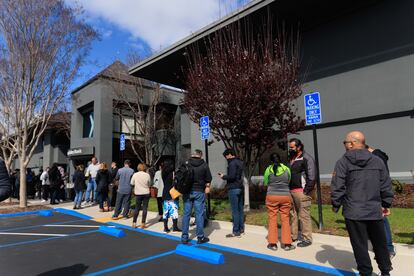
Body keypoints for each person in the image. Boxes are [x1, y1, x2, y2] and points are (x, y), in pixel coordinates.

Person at [331, 131, 393, 276]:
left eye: (345, 142)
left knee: (360, 245)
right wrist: (386, 203)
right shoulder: (377, 160)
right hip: (374, 210)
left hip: (354, 212)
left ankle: (366, 272)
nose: (344, 145)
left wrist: (336, 203)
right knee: (380, 243)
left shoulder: (342, 162)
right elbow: (385, 184)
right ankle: (385, 271)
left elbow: (337, 185)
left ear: (352, 143)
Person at [366, 145, 396, 259]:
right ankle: (383, 248)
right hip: (375, 194)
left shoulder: (376, 157)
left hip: (377, 194)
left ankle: (388, 249)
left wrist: (385, 202)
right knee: (378, 221)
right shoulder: (378, 156)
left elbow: (383, 178)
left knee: (382, 220)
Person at [263, 153, 295, 251]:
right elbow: (289, 181)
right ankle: (287, 244)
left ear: (271, 161)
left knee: (272, 219)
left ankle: (272, 244)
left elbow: (265, 182)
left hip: (272, 196)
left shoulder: (268, 169)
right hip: (285, 196)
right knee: (285, 219)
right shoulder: (287, 169)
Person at [288, 138, 316, 247]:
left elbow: (312, 176)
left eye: (292, 147)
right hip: (291, 191)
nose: (290, 149)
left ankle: (307, 239)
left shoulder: (307, 158)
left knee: (304, 216)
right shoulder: (292, 158)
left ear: (299, 147)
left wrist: (306, 191)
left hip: (302, 192)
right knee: (293, 215)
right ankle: (293, 236)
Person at [181, 149, 212, 245]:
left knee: (186, 215)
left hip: (187, 192)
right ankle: (200, 237)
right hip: (199, 191)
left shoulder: (186, 164)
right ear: (200, 155)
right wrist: (207, 187)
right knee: (199, 215)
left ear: (192, 155)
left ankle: (184, 237)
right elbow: (209, 178)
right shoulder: (204, 165)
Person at [218, 148, 244, 238]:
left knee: (235, 210)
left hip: (233, 188)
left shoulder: (232, 163)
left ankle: (236, 231)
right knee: (240, 209)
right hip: (240, 187)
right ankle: (241, 229)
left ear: (229, 154)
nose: (226, 158)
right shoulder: (239, 162)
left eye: (226, 156)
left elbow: (232, 176)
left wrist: (223, 176)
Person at [161, 159, 180, 233]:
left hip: (165, 192)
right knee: (174, 210)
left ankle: (165, 228)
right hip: (173, 193)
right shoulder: (173, 173)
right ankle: (175, 227)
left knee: (166, 211)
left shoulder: (163, 173)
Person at [130, 163, 151, 228]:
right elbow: (149, 184)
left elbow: (131, 183)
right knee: (145, 208)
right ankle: (143, 223)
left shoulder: (135, 174)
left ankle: (134, 222)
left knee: (137, 208)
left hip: (138, 193)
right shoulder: (147, 175)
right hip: (146, 192)